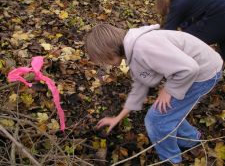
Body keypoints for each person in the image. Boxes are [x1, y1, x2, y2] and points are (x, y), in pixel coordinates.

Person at [85, 23, 223, 165]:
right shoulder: (133, 50)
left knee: (156, 121)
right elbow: (139, 89)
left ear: (109, 50)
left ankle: (171, 160)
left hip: (204, 73)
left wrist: (168, 90)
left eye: (103, 59)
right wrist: (117, 118)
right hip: (196, 70)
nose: (105, 64)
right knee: (167, 113)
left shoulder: (143, 47)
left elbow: (189, 69)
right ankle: (192, 139)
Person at [156, 0, 225, 60]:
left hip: (219, 15)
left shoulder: (177, 4)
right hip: (219, 11)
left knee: (186, 43)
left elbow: (167, 33)